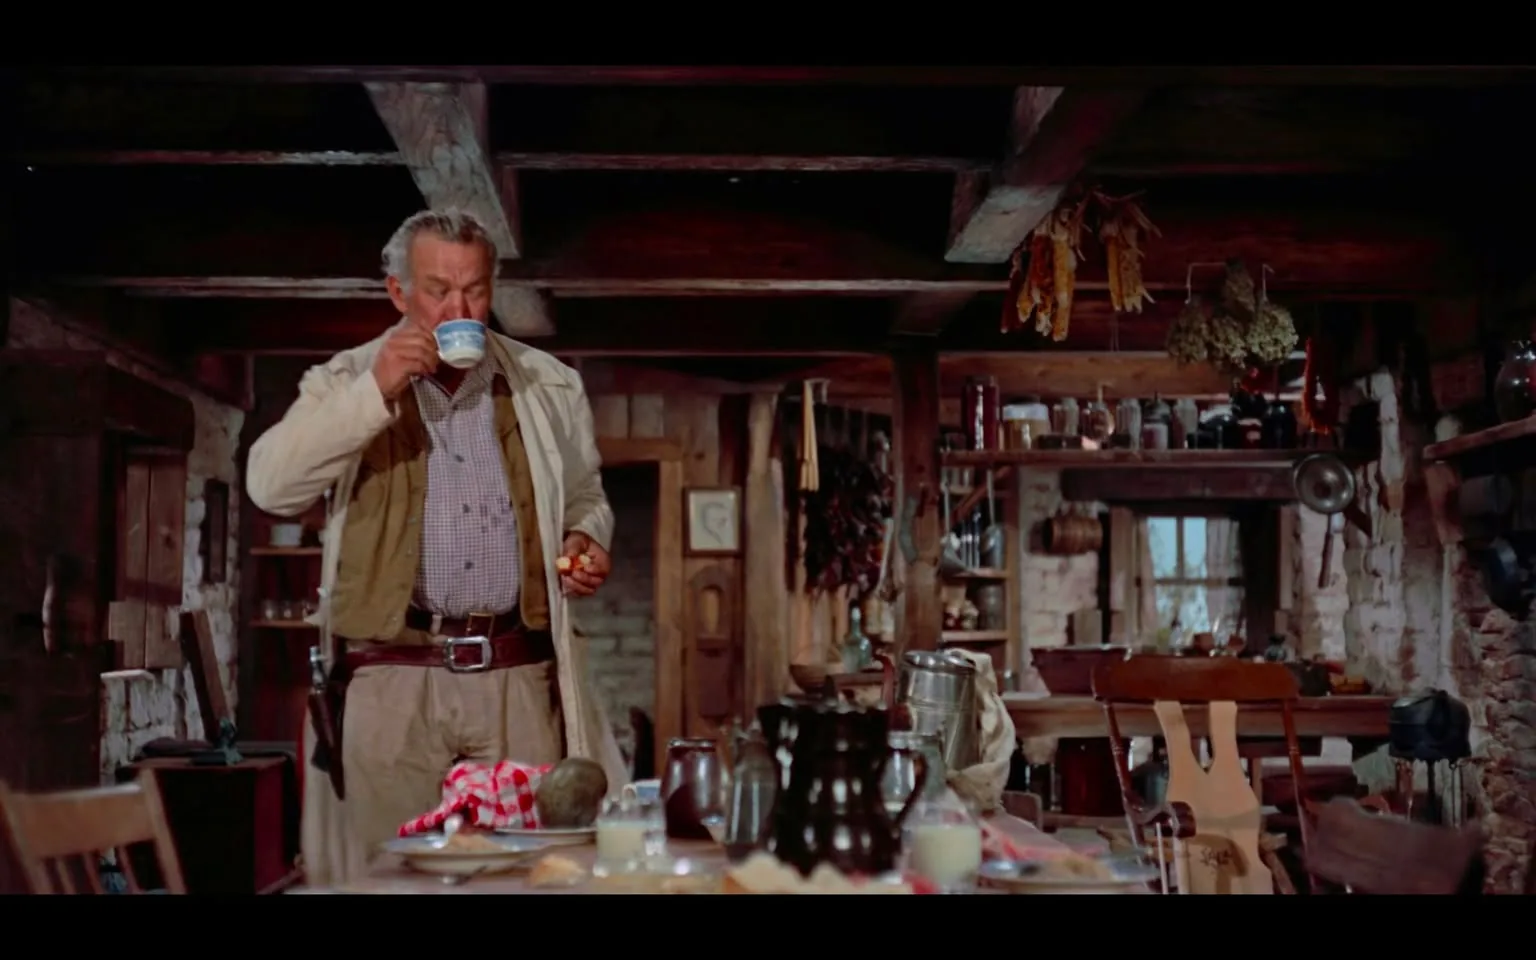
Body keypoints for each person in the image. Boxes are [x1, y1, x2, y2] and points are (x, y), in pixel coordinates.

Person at [246, 208, 627, 886]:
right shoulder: (345, 379)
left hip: (515, 672)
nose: (459, 307)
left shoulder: (546, 383)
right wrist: (376, 390)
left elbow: (586, 495)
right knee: (392, 880)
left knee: (529, 875)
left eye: (474, 290)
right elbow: (270, 485)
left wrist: (585, 535)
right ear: (398, 292)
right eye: (437, 289)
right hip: (392, 680)